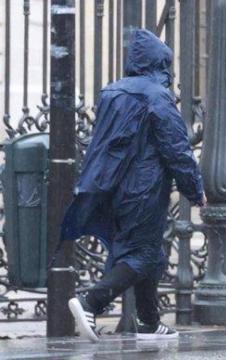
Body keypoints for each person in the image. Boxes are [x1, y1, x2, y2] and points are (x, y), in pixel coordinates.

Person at [61, 29, 205, 342]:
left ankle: (150, 323)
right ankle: (91, 301)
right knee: (141, 255)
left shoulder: (112, 93)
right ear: (161, 63)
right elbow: (177, 150)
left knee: (145, 252)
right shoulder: (156, 96)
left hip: (112, 186)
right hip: (145, 189)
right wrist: (195, 190)